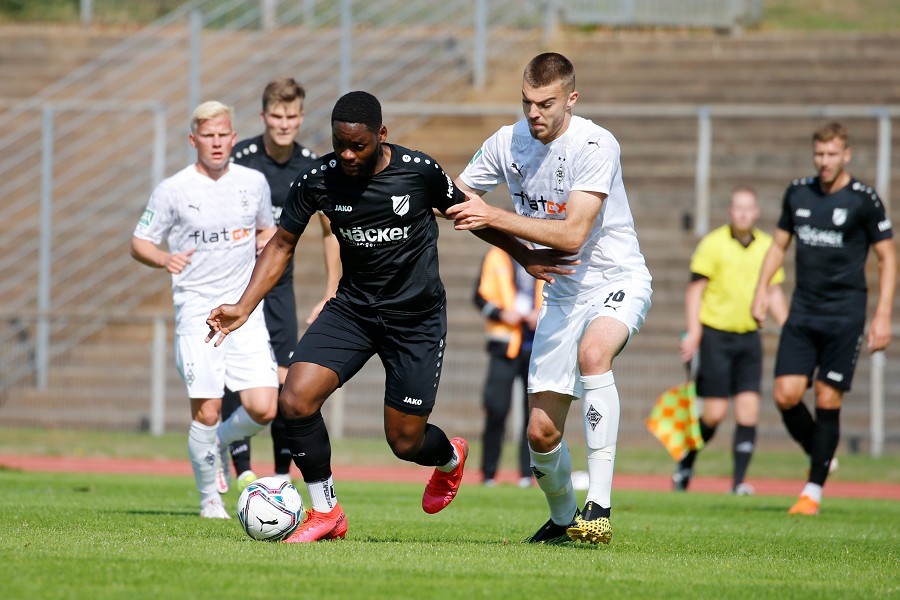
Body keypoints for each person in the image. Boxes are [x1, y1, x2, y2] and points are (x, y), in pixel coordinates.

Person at [205, 91, 552, 543]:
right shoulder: (319, 180)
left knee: (405, 442)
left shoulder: (418, 172)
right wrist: (243, 305)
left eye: (359, 146)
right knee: (294, 399)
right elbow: (282, 244)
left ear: (382, 135)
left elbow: (471, 215)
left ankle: (449, 457)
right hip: (353, 309)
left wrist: (525, 256)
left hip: (415, 320)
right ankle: (327, 511)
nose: (347, 155)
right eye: (339, 144)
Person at [448, 52, 653, 546]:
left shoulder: (595, 143)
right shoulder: (506, 142)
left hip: (614, 278)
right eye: (526, 103)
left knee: (594, 354)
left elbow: (573, 233)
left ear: (571, 100)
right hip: (561, 293)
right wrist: (519, 253)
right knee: (541, 434)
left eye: (545, 103)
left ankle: (598, 507)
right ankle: (564, 520)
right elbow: (455, 198)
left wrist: (494, 217)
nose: (534, 113)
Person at [130, 100, 279, 519]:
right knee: (208, 409)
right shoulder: (173, 189)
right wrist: (163, 259)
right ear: (193, 140)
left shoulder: (254, 182)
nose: (216, 143)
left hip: (243, 310)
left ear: (233, 137)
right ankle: (209, 500)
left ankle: (219, 442)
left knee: (265, 408)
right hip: (198, 311)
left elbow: (266, 228)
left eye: (223, 135)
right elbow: (139, 241)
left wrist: (266, 244)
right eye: (208, 136)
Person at [752, 121, 895, 516]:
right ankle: (822, 452)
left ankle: (812, 491)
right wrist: (762, 290)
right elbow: (778, 246)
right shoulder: (798, 192)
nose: (825, 161)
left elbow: (888, 257)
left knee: (828, 397)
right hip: (803, 311)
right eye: (820, 154)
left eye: (832, 154)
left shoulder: (864, 200)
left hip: (845, 316)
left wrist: (882, 316)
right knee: (785, 394)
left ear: (846, 155)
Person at [220, 77, 341, 492]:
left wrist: (331, 290)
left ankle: (279, 477)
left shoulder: (312, 164)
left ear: (301, 117)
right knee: (241, 377)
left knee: (287, 381)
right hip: (237, 287)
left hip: (280, 293)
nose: (284, 123)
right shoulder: (241, 159)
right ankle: (240, 468)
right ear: (263, 116)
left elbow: (331, 231)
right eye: (276, 115)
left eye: (291, 116)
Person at [675, 187, 788, 495]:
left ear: (756, 212)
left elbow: (775, 292)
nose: (742, 214)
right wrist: (694, 331)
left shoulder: (768, 246)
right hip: (715, 336)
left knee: (749, 411)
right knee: (713, 414)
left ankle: (738, 483)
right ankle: (686, 462)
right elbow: (695, 290)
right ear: (729, 210)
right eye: (737, 208)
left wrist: (789, 329)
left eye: (748, 208)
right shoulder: (712, 244)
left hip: (749, 337)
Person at [473, 246, 543, 488]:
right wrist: (503, 314)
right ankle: (489, 474)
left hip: (537, 346)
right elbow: (480, 297)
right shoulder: (496, 255)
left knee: (534, 415)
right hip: (504, 346)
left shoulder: (547, 252)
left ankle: (528, 474)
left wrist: (540, 314)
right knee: (496, 408)